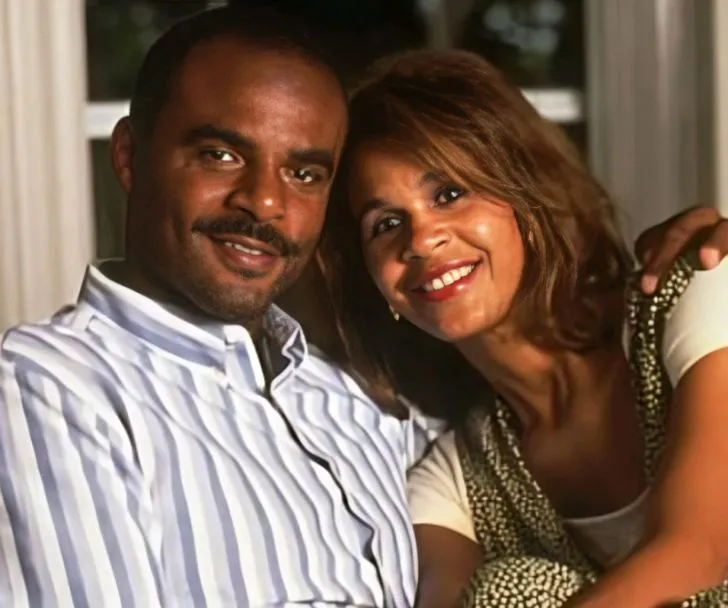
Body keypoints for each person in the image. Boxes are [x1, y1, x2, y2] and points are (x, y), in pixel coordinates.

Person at [0, 6, 726, 607]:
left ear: (526, 197)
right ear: (128, 156)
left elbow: (698, 541)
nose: (264, 201)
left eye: (305, 172)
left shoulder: (366, 408)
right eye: (221, 154)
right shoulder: (48, 388)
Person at [319, 48, 728, 607]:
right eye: (385, 224)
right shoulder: (454, 480)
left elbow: (700, 549)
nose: (420, 240)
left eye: (449, 194)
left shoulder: (696, 291)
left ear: (525, 201)